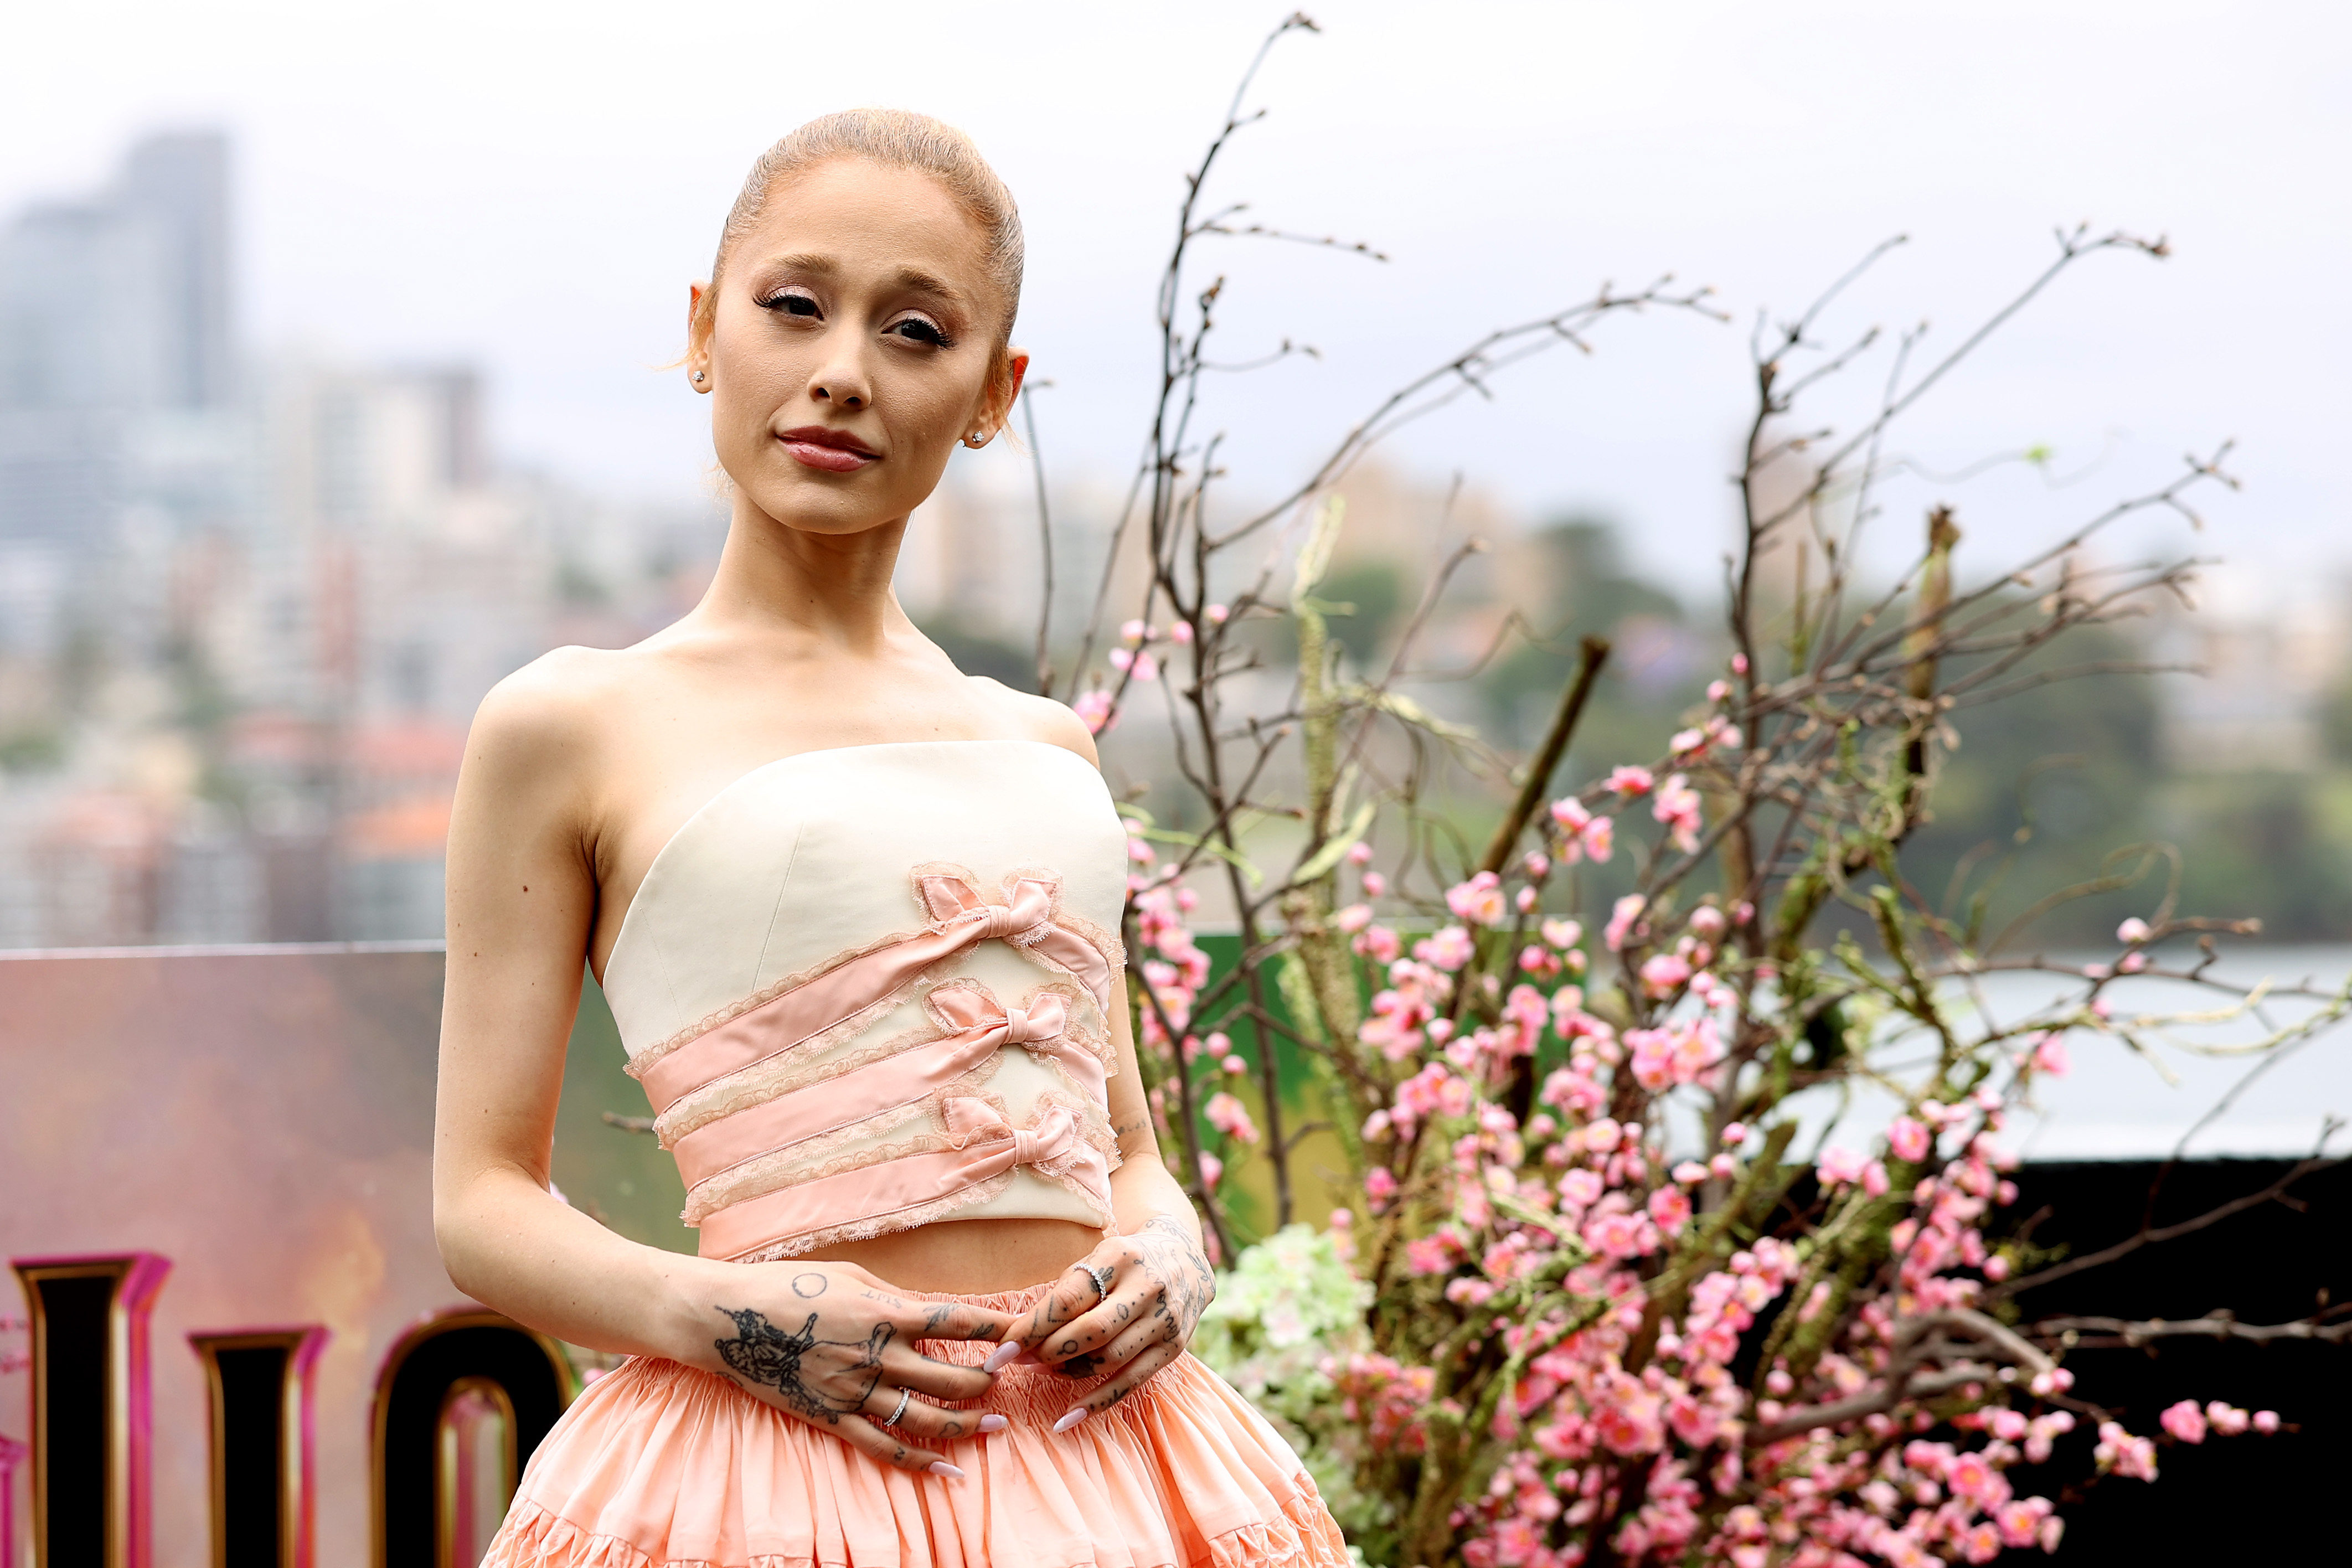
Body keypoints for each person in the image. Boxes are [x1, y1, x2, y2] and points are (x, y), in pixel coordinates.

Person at [433, 110, 1350, 1568]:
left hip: (1117, 1474)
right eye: (794, 306)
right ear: (702, 330)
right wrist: (733, 1322)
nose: (841, 373)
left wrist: (1175, 1249)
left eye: (916, 332)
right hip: (762, 1476)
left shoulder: (1047, 748)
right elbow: (479, 1202)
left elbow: (1125, 1154)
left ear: (995, 392)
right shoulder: (571, 725)